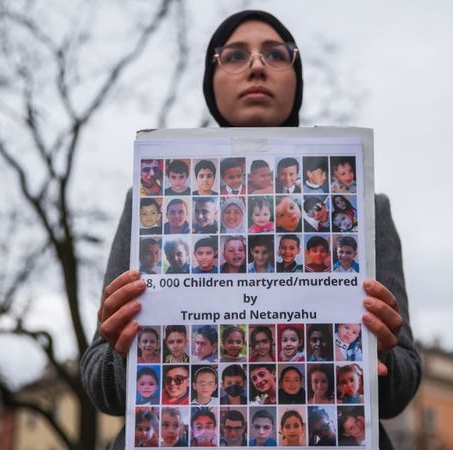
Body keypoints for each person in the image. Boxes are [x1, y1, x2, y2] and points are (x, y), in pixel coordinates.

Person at [82, 10, 421, 450]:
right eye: (235, 55)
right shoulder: (152, 202)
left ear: (296, 81)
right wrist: (122, 352)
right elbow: (102, 390)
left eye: (276, 54)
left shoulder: (362, 209)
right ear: (211, 83)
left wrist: (380, 353)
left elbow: (399, 390)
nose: (257, 65)